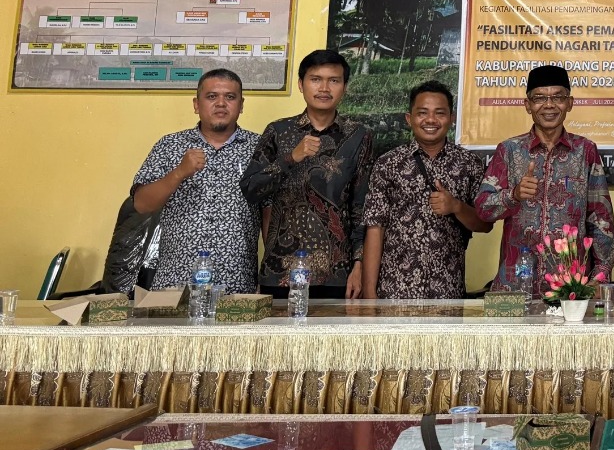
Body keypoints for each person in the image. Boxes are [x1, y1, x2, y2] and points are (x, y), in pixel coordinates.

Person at [240, 49, 374, 299]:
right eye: (316, 79)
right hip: (281, 271)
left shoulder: (358, 135)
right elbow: (250, 189)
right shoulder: (278, 131)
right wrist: (291, 158)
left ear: (344, 87)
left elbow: (361, 205)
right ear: (301, 84)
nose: (324, 88)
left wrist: (359, 265)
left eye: (333, 80)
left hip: (336, 273)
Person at [475, 64, 614, 291]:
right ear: (527, 105)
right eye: (539, 98)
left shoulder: (585, 150)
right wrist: (513, 195)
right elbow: (483, 209)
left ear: (569, 103)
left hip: (570, 287)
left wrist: (600, 277)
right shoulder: (509, 150)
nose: (549, 105)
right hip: (515, 284)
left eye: (558, 97)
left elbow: (601, 219)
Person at [130, 69, 259, 293]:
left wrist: (267, 279)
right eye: (211, 96)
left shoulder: (259, 148)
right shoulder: (170, 145)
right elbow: (141, 204)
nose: (221, 103)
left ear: (241, 105)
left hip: (237, 283)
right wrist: (179, 172)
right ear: (196, 104)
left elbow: (270, 212)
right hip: (175, 283)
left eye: (230, 97)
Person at [361, 80, 490, 299]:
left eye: (440, 113)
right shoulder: (388, 164)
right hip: (394, 291)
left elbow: (485, 224)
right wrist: (369, 294)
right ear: (409, 119)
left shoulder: (469, 164)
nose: (430, 120)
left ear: (452, 118)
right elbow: (375, 228)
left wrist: (456, 207)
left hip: (447, 292)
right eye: (422, 113)